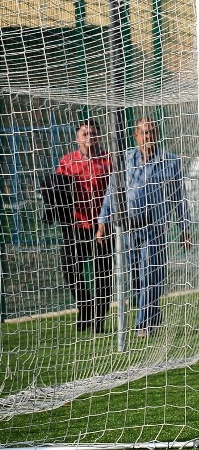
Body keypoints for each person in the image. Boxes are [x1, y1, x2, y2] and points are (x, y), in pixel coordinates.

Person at [96, 116, 192, 338]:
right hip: (128, 228)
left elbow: (179, 198)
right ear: (135, 135)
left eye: (151, 131)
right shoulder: (125, 160)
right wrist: (103, 222)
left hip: (154, 228)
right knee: (136, 280)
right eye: (144, 132)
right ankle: (153, 318)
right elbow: (112, 191)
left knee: (151, 275)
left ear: (156, 134)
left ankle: (142, 325)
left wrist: (184, 228)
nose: (148, 136)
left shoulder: (169, 161)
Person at [53, 119, 113, 333]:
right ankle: (85, 304)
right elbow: (56, 191)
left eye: (93, 134)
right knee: (70, 268)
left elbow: (114, 194)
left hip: (103, 226)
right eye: (85, 134)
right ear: (77, 137)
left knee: (103, 273)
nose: (89, 138)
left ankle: (98, 320)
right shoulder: (67, 162)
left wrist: (104, 222)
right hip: (75, 224)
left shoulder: (108, 161)